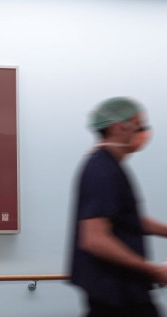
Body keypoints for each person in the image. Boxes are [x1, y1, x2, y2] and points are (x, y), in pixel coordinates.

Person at [70, 97, 167, 316]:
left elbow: (126, 220)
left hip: (123, 292)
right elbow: (95, 239)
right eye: (139, 125)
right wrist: (153, 270)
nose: (144, 132)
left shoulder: (110, 166)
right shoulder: (102, 170)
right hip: (116, 295)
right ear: (116, 128)